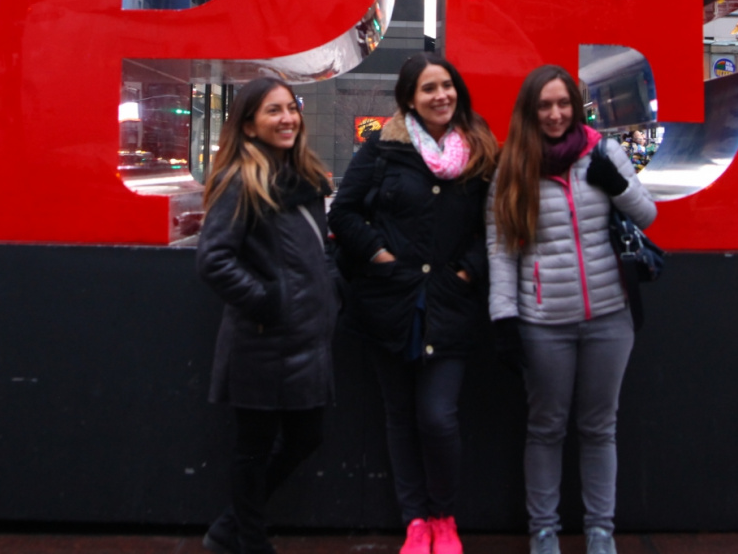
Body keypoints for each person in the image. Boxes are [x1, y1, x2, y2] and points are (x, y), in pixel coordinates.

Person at [330, 55, 500, 554]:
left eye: (447, 86)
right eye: (429, 89)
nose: (441, 96)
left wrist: (469, 269)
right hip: (390, 302)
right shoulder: (383, 146)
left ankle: (444, 517)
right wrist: (379, 254)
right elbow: (344, 210)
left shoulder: (481, 147)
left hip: (450, 303)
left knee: (438, 416)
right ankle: (415, 521)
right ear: (410, 99)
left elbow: (495, 220)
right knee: (399, 414)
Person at [486, 65, 659, 554]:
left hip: (610, 315)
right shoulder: (512, 165)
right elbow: (501, 248)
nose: (556, 113)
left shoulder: (603, 152)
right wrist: (504, 318)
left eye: (564, 103)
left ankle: (600, 531)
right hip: (544, 323)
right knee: (546, 427)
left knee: (599, 427)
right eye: (546, 105)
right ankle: (543, 531)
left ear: (576, 106)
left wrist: (618, 186)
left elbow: (647, 214)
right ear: (531, 110)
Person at [195, 77, 337, 554]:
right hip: (261, 340)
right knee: (254, 450)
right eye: (273, 111)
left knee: (305, 438)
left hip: (305, 340)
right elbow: (213, 259)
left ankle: (227, 530)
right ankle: (250, 542)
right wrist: (269, 301)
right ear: (249, 126)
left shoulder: (305, 178)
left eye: (290, 108)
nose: (287, 118)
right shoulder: (242, 179)